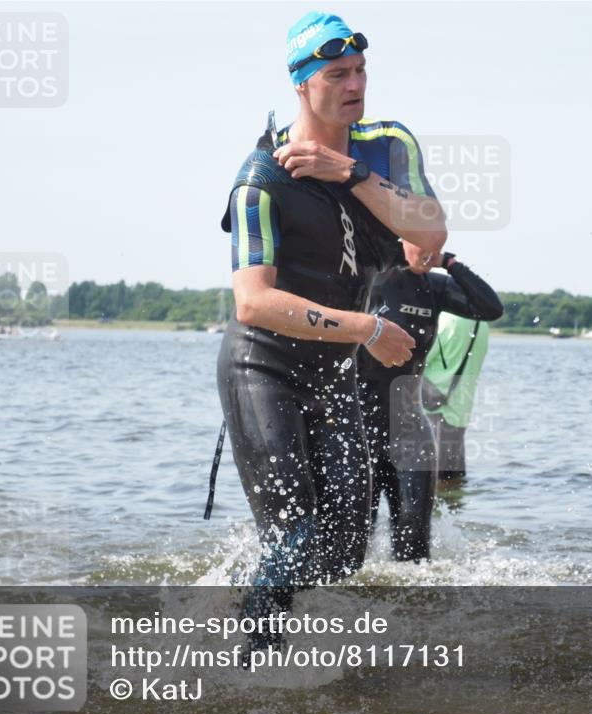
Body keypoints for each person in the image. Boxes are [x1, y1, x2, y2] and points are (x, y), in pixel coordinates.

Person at [214, 11, 446, 631]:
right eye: (337, 74)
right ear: (301, 84)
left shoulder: (388, 145)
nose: (355, 85)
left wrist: (349, 173)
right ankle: (245, 666)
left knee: (345, 550)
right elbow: (252, 303)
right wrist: (365, 328)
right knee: (293, 536)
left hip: (332, 376)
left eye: (361, 70)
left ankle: (288, 640)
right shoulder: (260, 179)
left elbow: (431, 234)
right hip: (262, 367)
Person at [357, 251, 503, 561]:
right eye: (422, 241)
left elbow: (490, 308)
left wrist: (451, 264)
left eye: (437, 243)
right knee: (352, 547)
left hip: (410, 430)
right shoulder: (368, 275)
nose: (429, 250)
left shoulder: (434, 286)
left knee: (415, 554)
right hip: (359, 427)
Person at [422, 312, 493, 483]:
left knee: (431, 482)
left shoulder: (446, 320)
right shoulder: (482, 324)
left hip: (435, 410)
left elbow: (415, 359)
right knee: (454, 482)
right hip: (460, 412)